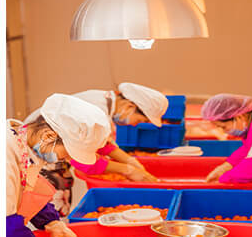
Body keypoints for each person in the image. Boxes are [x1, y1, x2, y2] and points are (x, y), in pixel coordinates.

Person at [6, 93, 111, 237]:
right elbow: (7, 233)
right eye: (66, 154)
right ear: (48, 136)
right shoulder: (4, 157)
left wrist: (53, 223)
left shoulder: (22, 145)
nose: (62, 161)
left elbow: (26, 187)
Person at [24, 83, 166, 214]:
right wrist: (127, 169)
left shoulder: (104, 104)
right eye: (140, 120)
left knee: (51, 209)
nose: (135, 125)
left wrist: (130, 161)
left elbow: (102, 145)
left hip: (46, 152)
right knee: (45, 203)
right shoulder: (96, 108)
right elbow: (81, 163)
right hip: (39, 156)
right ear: (130, 106)